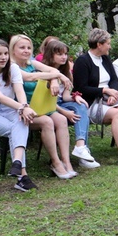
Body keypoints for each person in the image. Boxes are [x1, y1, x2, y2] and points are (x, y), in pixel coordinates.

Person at [72, 28, 118, 168]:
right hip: (90, 103)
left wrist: (114, 94)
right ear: (99, 44)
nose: (110, 46)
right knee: (117, 113)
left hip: (107, 100)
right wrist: (104, 91)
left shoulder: (105, 59)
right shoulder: (82, 61)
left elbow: (114, 80)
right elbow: (81, 88)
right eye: (108, 43)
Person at [10, 34, 77, 179]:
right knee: (48, 122)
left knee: (61, 120)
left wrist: (54, 80)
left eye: (29, 47)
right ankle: (55, 162)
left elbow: (54, 71)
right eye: (22, 47)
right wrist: (56, 77)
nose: (26, 50)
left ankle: (66, 161)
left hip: (41, 107)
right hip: (22, 111)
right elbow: (30, 77)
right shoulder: (11, 66)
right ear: (13, 50)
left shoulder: (31, 63)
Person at [0, 38, 38, 192]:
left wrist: (24, 107)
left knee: (22, 121)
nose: (3, 57)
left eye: (6, 53)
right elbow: (0, 97)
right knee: (15, 128)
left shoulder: (12, 68)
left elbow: (19, 91)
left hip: (10, 108)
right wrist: (22, 108)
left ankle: (17, 164)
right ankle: (22, 176)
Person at [42, 40, 100, 170]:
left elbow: (66, 96)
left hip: (62, 103)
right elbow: (46, 102)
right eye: (60, 54)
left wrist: (76, 97)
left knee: (81, 107)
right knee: (74, 113)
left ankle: (80, 147)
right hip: (48, 107)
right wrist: (65, 112)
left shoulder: (66, 72)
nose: (64, 57)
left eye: (65, 54)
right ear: (51, 55)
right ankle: (81, 154)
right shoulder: (43, 73)